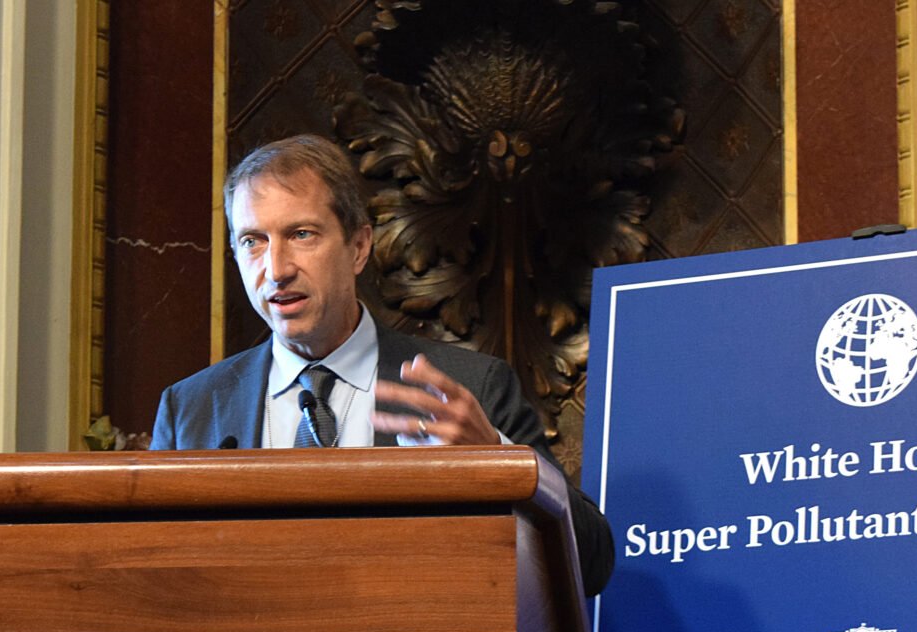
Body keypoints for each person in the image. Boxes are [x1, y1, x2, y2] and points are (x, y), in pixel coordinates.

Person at [151, 134, 614, 596]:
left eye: (301, 234)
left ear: (358, 246)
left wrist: (498, 460)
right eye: (253, 240)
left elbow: (591, 563)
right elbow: (149, 575)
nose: (276, 268)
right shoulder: (191, 408)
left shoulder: (472, 387)